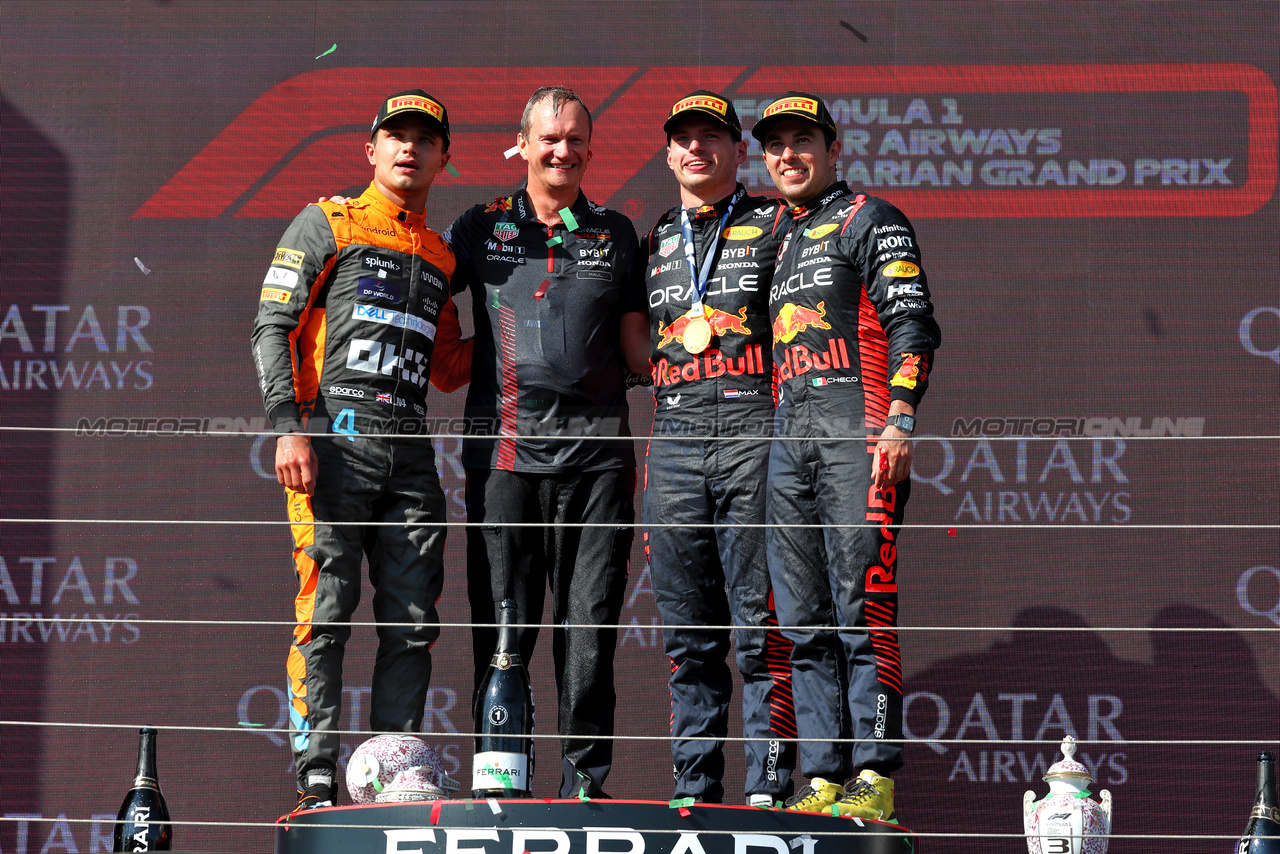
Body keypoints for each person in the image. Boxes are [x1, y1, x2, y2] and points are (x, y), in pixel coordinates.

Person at [251, 89, 466, 810]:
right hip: (332, 438)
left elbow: (449, 367)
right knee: (327, 606)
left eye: (424, 139)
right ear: (370, 149)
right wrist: (289, 424)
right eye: (395, 136)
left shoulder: (438, 254)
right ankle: (316, 776)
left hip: (409, 451)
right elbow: (270, 326)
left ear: (443, 157)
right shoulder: (327, 222)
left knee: (412, 619)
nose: (409, 148)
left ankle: (394, 777)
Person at [443, 86, 651, 798]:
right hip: (505, 455)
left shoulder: (616, 231)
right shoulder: (478, 226)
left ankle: (585, 783)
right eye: (549, 138)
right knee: (503, 625)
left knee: (588, 626)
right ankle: (501, 782)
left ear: (590, 150)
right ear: (523, 145)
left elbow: (639, 342)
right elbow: (423, 300)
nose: (562, 150)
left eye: (574, 139)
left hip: (597, 461)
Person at [752, 91, 941, 819]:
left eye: (803, 141)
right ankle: (824, 775)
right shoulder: (776, 234)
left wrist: (899, 419)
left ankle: (875, 775)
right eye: (775, 145)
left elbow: (914, 321)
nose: (789, 156)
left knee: (862, 605)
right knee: (800, 618)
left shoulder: (871, 218)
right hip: (786, 436)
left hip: (857, 428)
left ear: (833, 149)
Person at [641, 91, 796, 806]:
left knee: (760, 622)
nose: (696, 148)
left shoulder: (776, 224)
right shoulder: (655, 236)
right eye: (684, 139)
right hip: (673, 436)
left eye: (713, 137)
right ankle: (694, 788)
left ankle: (769, 782)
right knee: (687, 631)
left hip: (752, 428)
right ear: (669, 153)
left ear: (740, 152)